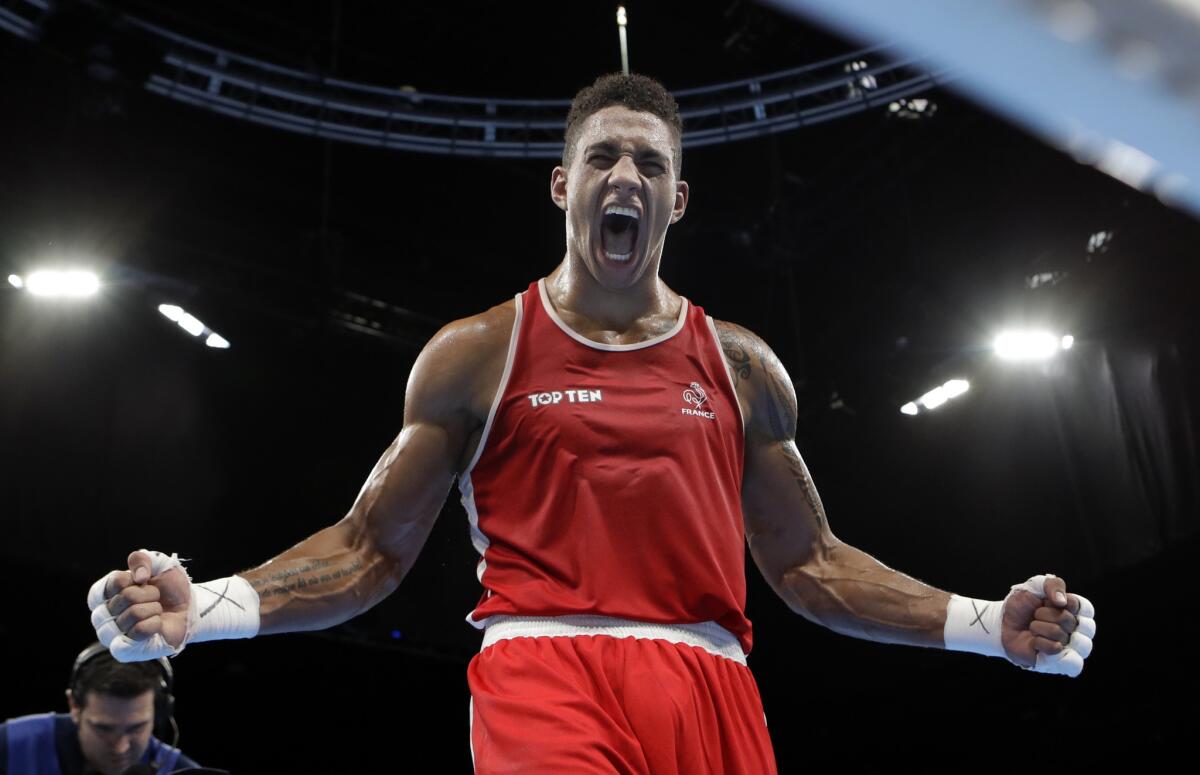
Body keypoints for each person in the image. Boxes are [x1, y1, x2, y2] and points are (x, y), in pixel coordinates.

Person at [85, 73, 1097, 773]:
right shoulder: (479, 351)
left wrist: (982, 626)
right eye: (604, 158)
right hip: (545, 666)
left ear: (678, 199)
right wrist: (208, 605)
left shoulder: (742, 366)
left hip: (713, 683)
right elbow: (367, 549)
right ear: (565, 184)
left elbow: (811, 565)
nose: (627, 178)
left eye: (651, 166)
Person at [1, 643, 200, 775]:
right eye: (104, 729)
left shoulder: (181, 771)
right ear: (74, 706)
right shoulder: (9, 746)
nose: (120, 748)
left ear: (158, 712)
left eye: (136, 728)